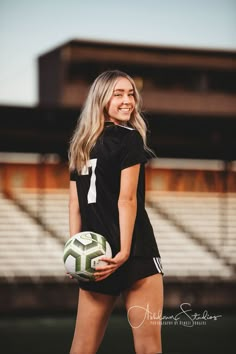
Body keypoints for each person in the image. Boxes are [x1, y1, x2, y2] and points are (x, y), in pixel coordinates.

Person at [68, 70, 164, 354]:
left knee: (82, 348)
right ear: (101, 100)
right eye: (118, 94)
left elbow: (74, 204)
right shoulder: (129, 138)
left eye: (131, 93)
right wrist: (123, 252)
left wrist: (75, 252)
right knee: (148, 348)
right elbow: (127, 200)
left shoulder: (80, 145)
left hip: (96, 257)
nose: (128, 101)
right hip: (134, 254)